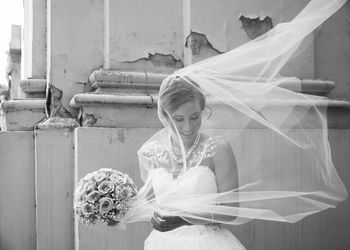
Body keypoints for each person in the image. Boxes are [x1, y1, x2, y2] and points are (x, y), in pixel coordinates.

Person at [134, 0, 347, 249]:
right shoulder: (151, 153)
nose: (188, 127)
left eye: (195, 117)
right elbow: (146, 203)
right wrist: (108, 203)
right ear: (163, 115)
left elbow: (230, 211)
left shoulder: (217, 149)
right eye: (178, 119)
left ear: (205, 111)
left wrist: (183, 219)